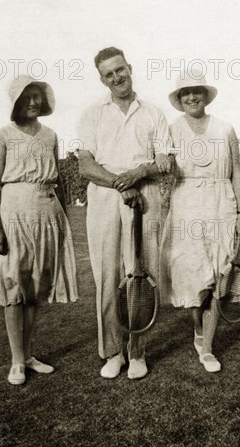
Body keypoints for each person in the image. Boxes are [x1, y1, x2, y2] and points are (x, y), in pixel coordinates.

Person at [0, 75, 78, 385]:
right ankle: (16, 361)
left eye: (37, 96)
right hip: (13, 214)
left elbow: (57, 182)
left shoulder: (50, 135)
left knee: (35, 291)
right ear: (16, 101)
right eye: (26, 97)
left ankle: (29, 355)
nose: (33, 102)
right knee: (13, 288)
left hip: (46, 215)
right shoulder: (3, 134)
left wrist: (63, 224)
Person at [78, 47, 171, 380]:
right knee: (108, 274)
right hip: (105, 197)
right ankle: (113, 352)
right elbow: (86, 166)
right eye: (109, 74)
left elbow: (164, 163)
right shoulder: (92, 114)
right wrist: (121, 183)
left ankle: (137, 352)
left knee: (140, 275)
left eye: (120, 70)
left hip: (144, 197)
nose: (117, 77)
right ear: (102, 79)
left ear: (130, 68)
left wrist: (137, 175)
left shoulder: (154, 114)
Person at [160, 71, 240, 373]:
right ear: (179, 99)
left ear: (205, 95)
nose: (192, 97)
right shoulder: (172, 130)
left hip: (222, 204)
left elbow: (237, 173)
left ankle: (207, 348)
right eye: (185, 92)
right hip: (186, 205)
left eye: (196, 91)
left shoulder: (225, 128)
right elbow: (163, 164)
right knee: (193, 278)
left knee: (219, 274)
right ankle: (197, 328)